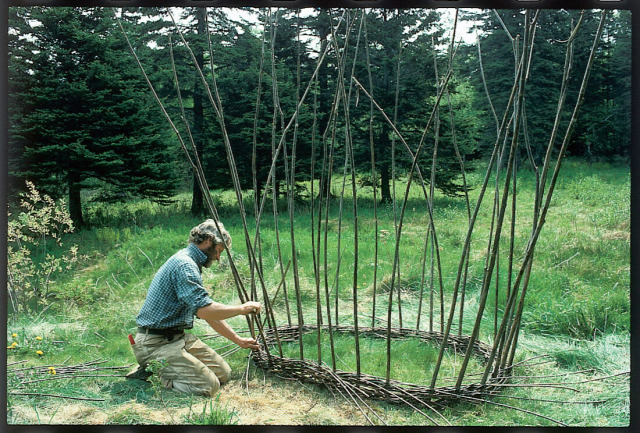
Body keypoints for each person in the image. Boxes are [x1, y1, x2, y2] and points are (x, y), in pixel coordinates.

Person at [126, 219, 261, 396]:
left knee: (223, 374)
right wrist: (242, 309)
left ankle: (164, 368)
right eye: (219, 251)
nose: (218, 257)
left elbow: (208, 313)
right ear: (208, 241)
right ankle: (152, 373)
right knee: (208, 386)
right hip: (154, 344)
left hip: (177, 339)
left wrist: (238, 340)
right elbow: (205, 311)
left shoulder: (189, 262)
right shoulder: (185, 265)